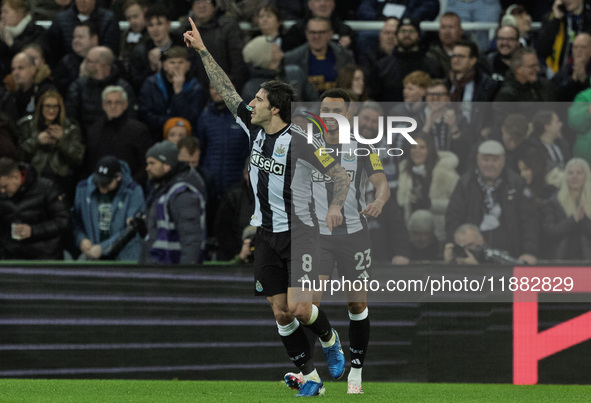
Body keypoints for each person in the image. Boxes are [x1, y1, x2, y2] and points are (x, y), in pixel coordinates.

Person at [184, 17, 351, 397]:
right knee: (279, 312)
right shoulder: (253, 128)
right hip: (265, 232)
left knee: (297, 307)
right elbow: (225, 89)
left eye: (258, 99)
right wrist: (204, 51)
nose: (251, 103)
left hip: (301, 233)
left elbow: (340, 176)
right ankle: (311, 379)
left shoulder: (302, 141)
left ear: (275, 109)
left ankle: (329, 338)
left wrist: (336, 207)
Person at [303, 88, 390, 394]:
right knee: (309, 304)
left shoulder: (363, 147)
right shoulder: (308, 146)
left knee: (357, 303)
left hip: (354, 236)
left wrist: (378, 201)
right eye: (325, 109)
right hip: (319, 238)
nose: (329, 116)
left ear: (348, 114)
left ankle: (356, 371)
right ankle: (312, 373)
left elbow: (381, 184)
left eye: (336, 110)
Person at [445, 140, 539, 263]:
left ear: (503, 161)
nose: (490, 164)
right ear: (478, 160)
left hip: (510, 254)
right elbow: (453, 217)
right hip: (472, 255)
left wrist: (529, 251)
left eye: (495, 160)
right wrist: (455, 246)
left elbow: (529, 220)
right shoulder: (465, 184)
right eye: (485, 159)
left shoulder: (516, 184)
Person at [140, 140, 205, 264]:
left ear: (167, 165)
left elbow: (191, 239)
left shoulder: (182, 194)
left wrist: (185, 275)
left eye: (152, 163)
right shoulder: (161, 190)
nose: (147, 168)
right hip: (160, 269)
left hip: (172, 271)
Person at [17, 89, 84, 205]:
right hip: (34, 179)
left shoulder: (71, 128)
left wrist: (62, 141)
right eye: (47, 106)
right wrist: (36, 141)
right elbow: (18, 155)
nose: (51, 110)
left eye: (55, 107)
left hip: (61, 180)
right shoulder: (26, 126)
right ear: (40, 107)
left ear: (60, 108)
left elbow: (78, 158)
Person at [72, 156, 145, 261]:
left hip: (124, 257)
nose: (102, 189)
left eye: (106, 184)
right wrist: (81, 239)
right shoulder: (82, 188)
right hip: (93, 256)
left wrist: (103, 248)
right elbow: (75, 220)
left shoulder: (133, 191)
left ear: (118, 177)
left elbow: (131, 229)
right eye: (98, 184)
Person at [0, 157, 69, 260]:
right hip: (12, 260)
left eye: (5, 186)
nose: (2, 191)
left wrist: (33, 231)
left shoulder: (46, 188)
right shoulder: (2, 196)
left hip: (45, 259)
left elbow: (63, 221)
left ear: (16, 177)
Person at [83, 85, 152, 186]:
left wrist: (131, 186)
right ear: (103, 105)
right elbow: (88, 164)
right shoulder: (94, 130)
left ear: (125, 104)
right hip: (99, 188)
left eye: (118, 102)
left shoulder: (139, 130)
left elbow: (146, 164)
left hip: (129, 190)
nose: (113, 106)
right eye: (109, 102)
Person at [397, 132, 459, 242]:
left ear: (429, 150)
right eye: (413, 147)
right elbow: (401, 201)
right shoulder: (405, 172)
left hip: (439, 234)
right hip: (412, 234)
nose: (417, 151)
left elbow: (456, 205)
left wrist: (429, 203)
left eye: (422, 147)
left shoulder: (446, 172)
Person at [368, 18, 443, 102]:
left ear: (419, 35)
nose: (407, 34)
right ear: (397, 35)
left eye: (411, 31)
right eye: (403, 31)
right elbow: (373, 97)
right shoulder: (382, 66)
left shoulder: (432, 65)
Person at [138, 46, 203, 142]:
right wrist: (170, 123)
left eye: (180, 62)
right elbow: (145, 114)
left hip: (185, 139)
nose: (176, 66)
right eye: (172, 62)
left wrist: (178, 92)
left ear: (188, 66)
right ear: (165, 66)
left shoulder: (195, 87)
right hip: (155, 137)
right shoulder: (151, 83)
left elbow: (192, 117)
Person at [65, 46, 135, 136]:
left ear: (100, 65)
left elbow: (131, 119)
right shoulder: (78, 86)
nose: (84, 64)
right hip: (85, 140)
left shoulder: (123, 88)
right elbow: (71, 118)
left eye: (89, 61)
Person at [283, 16, 355, 96]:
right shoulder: (292, 58)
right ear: (306, 34)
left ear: (330, 34)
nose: (316, 37)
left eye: (321, 32)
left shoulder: (345, 56)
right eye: (312, 32)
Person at [241, 35, 318, 103]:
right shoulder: (251, 89)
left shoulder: (295, 72)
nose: (276, 45)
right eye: (271, 44)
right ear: (265, 56)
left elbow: (316, 102)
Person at [542, 158, 591, 260]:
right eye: (570, 173)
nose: (574, 177)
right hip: (562, 260)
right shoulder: (554, 203)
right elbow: (549, 232)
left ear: (586, 176)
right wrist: (573, 220)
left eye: (579, 173)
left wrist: (583, 220)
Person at [47, 0, 120, 64]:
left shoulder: (108, 19)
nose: (82, 1)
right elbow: (53, 53)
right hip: (67, 70)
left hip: (100, 68)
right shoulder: (61, 20)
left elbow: (111, 51)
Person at [537, 0, 591, 78]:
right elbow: (542, 50)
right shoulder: (552, 18)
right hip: (559, 76)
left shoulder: (589, 19)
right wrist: (556, 20)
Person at [0, 0, 49, 79]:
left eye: (6, 12)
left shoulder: (37, 32)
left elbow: (33, 57)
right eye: (1, 12)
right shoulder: (3, 35)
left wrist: (12, 44)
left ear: (19, 13)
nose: (2, 16)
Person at [53, 21, 99, 96]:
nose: (76, 41)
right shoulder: (65, 63)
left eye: (80, 37)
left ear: (94, 39)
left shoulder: (107, 59)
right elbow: (60, 91)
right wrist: (79, 80)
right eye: (74, 37)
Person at [443, 223, 523, 264]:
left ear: (481, 240)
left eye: (470, 245)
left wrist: (476, 269)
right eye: (462, 247)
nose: (466, 250)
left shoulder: (492, 257)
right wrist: (447, 263)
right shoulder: (455, 261)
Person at [8, 51, 54, 120]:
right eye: (13, 69)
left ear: (33, 69)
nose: (15, 73)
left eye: (20, 68)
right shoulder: (14, 95)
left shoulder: (46, 92)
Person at [552, 32, 591, 102]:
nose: (578, 50)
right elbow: (556, 96)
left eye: (583, 47)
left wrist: (585, 80)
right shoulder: (564, 70)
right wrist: (573, 80)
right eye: (575, 47)